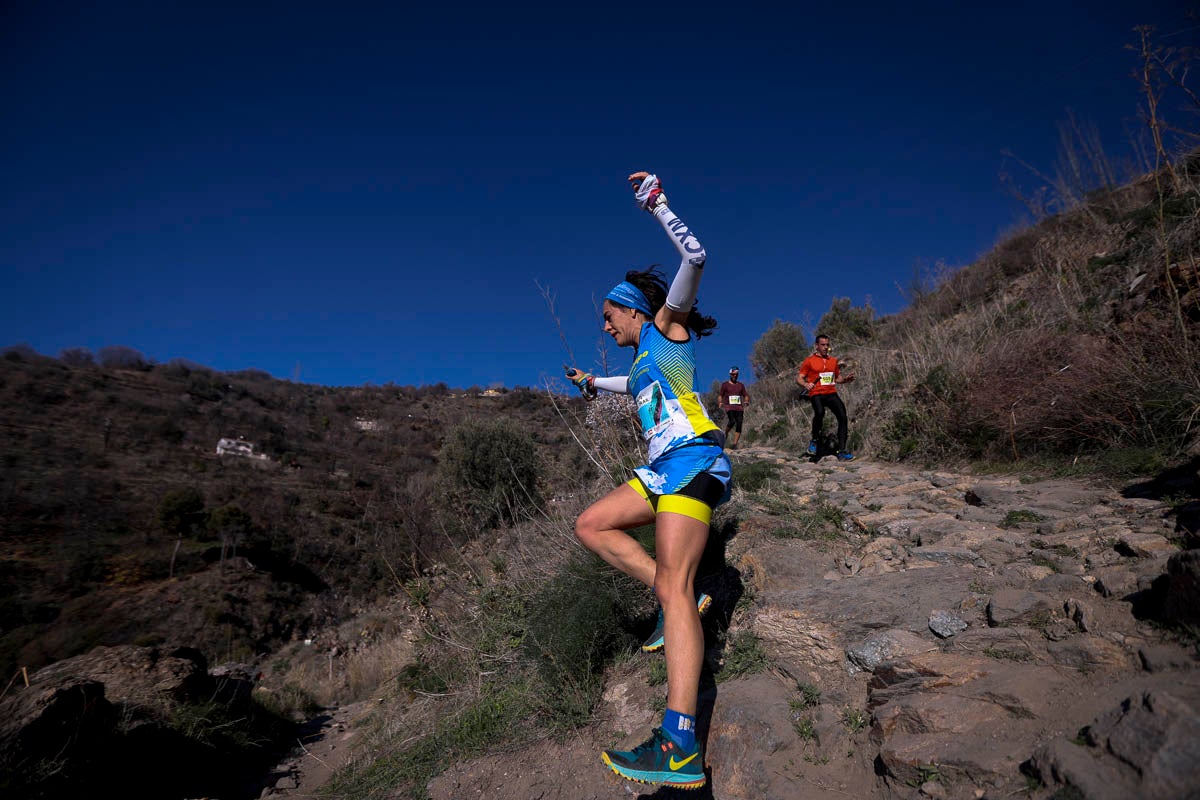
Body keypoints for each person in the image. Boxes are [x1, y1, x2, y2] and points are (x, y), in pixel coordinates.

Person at [565, 171, 728, 791]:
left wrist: (657, 203)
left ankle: (679, 744)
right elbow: (624, 387)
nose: (605, 329)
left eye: (608, 318)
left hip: (691, 458)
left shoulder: (667, 327)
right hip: (661, 471)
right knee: (592, 525)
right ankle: (670, 592)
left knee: (678, 594)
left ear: (631, 309)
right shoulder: (637, 366)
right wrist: (589, 383)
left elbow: (695, 255)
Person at [797, 334, 856, 461]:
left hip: (831, 392)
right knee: (820, 412)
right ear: (816, 346)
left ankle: (842, 450)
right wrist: (805, 384)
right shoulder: (809, 361)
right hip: (816, 393)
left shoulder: (833, 361)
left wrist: (846, 379)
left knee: (843, 417)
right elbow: (799, 378)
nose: (825, 347)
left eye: (827, 345)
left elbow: (837, 378)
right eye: (823, 345)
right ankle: (814, 440)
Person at [718, 366, 749, 449]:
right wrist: (720, 402)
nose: (734, 376)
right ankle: (725, 433)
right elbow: (720, 395)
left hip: (739, 408)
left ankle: (734, 444)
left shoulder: (741, 385)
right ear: (730, 375)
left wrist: (746, 401)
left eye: (736, 374)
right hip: (729, 407)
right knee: (732, 421)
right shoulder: (725, 385)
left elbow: (745, 395)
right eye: (733, 374)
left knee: (739, 423)